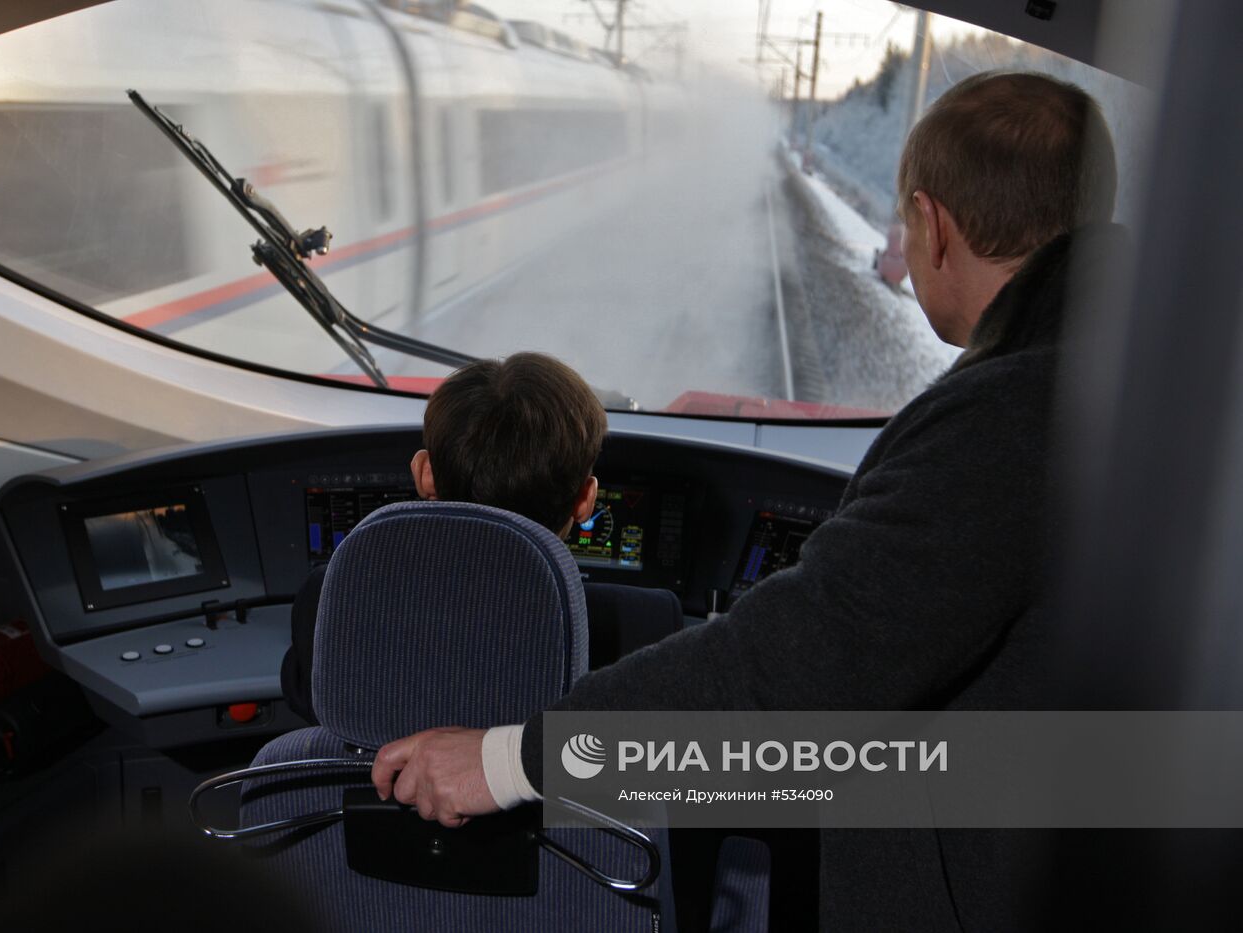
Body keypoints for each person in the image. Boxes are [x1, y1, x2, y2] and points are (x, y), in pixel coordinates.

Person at [369, 71, 1124, 930]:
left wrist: (510, 763)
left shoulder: (1017, 413)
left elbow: (798, 664)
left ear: (932, 224)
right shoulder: (1110, 371)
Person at [280, 351, 683, 724]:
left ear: (425, 475)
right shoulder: (645, 625)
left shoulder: (329, 597)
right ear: (585, 499)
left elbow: (311, 703)